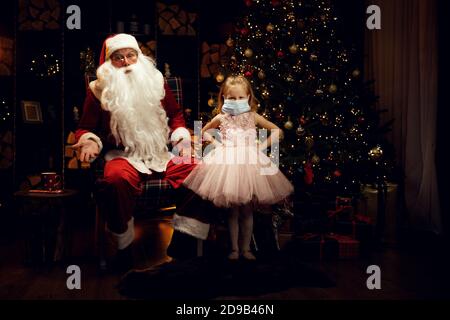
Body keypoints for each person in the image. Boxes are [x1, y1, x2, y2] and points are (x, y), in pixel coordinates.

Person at [72, 33, 208, 270]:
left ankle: (183, 244)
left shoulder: (155, 81)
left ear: (139, 57)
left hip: (160, 153)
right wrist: (89, 140)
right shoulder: (98, 90)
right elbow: (85, 126)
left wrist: (181, 136)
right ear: (109, 62)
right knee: (114, 180)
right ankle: (124, 247)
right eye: (118, 57)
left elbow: (176, 115)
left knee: (200, 172)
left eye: (130, 55)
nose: (126, 62)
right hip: (122, 154)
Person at [183, 75, 294, 260]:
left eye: (241, 98)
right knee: (233, 211)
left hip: (249, 164)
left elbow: (277, 131)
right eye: (232, 98)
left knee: (247, 211)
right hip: (227, 164)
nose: (236, 101)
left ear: (249, 97)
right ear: (224, 98)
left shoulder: (253, 116)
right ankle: (234, 249)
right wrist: (216, 144)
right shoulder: (221, 117)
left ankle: (246, 249)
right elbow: (202, 132)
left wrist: (260, 146)